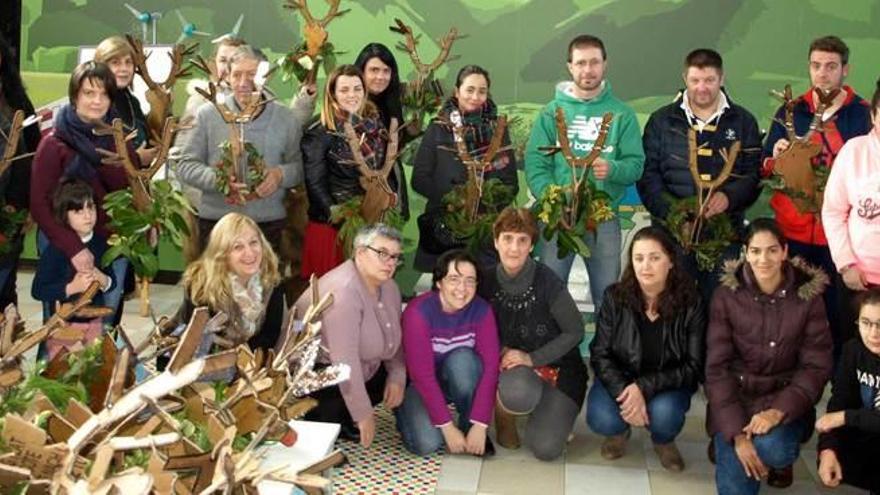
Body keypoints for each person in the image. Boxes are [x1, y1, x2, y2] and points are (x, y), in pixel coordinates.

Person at [763, 35, 872, 365]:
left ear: (845, 70)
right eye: (816, 66)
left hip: (839, 238)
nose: (822, 73)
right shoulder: (790, 110)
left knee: (841, 315)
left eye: (831, 66)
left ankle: (842, 375)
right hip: (794, 230)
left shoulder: (863, 114)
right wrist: (776, 157)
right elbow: (766, 166)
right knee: (794, 311)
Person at [705, 218, 833, 494]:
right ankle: (725, 437)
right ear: (745, 253)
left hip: (783, 401)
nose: (764, 259)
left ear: (785, 252)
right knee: (734, 485)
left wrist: (777, 412)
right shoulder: (726, 296)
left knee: (772, 447)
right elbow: (717, 369)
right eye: (755, 251)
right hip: (737, 400)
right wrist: (737, 435)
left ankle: (777, 456)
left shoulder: (808, 297)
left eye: (772, 250)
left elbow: (816, 366)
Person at [524, 34, 644, 311]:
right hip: (557, 219)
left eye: (594, 62)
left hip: (603, 218)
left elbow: (635, 166)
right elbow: (536, 163)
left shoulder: (622, 115)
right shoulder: (550, 113)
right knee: (549, 297)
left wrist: (613, 169)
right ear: (570, 67)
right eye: (581, 63)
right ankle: (550, 354)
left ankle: (606, 354)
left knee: (608, 298)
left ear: (605, 64)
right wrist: (552, 198)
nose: (587, 70)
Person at [637, 49, 761, 302]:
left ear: (721, 79)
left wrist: (728, 198)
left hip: (724, 236)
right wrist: (676, 214)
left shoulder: (743, 121)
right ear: (685, 79)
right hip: (672, 235)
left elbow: (753, 174)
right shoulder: (661, 121)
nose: (701, 88)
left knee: (721, 307)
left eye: (709, 80)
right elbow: (648, 175)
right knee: (672, 305)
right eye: (695, 81)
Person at [587, 226, 706, 472]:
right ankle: (619, 433)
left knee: (664, 416)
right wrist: (626, 391)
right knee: (600, 418)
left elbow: (694, 367)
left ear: (671, 261)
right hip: (622, 379)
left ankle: (663, 440)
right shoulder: (615, 297)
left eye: (655, 258)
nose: (646, 266)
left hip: (667, 383)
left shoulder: (691, 301)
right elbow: (599, 354)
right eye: (639, 258)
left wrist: (644, 387)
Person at [477, 207, 587, 461]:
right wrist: (502, 350)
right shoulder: (484, 281)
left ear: (531, 245)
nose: (514, 248)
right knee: (517, 392)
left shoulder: (548, 281)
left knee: (546, 449)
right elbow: (474, 327)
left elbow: (576, 331)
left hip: (560, 369)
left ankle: (550, 412)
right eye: (507, 238)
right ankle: (505, 413)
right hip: (514, 370)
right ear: (496, 242)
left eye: (522, 240)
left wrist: (532, 358)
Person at [30, 61, 133, 323]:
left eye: (104, 94)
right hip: (63, 245)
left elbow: (132, 188)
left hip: (111, 245)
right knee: (61, 328)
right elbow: (40, 204)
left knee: (105, 324)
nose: (97, 101)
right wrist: (75, 249)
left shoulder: (120, 140)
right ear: (75, 95)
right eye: (89, 93)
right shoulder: (54, 143)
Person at [177, 44, 304, 257]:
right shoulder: (207, 114)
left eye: (252, 75)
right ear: (227, 77)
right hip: (218, 225)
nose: (244, 83)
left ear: (266, 77)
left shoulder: (285, 118)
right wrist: (219, 180)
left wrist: (280, 175)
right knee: (217, 289)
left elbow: (300, 167)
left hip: (268, 225)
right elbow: (186, 166)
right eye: (237, 75)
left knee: (266, 289)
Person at [295, 224, 406, 449]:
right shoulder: (344, 292)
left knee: (409, 372)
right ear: (360, 253)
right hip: (316, 374)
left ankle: (345, 415)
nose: (390, 262)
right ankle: (326, 419)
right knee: (329, 416)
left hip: (362, 367)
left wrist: (397, 373)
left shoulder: (390, 287)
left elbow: (395, 337)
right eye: (382, 254)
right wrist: (364, 414)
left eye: (395, 256)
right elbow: (344, 362)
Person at [411, 65, 519, 272]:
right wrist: (454, 202)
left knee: (485, 288)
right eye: (470, 90)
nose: (475, 96)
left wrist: (486, 205)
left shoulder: (498, 131)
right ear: (457, 91)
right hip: (445, 229)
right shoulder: (438, 128)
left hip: (485, 232)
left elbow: (510, 182)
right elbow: (420, 179)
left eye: (482, 91)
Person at [396, 249, 500, 456]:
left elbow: (490, 369)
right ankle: (405, 414)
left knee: (464, 360)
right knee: (426, 444)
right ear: (438, 282)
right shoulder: (418, 313)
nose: (462, 288)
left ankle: (468, 423)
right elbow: (422, 376)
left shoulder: (481, 310)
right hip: (418, 385)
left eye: (470, 280)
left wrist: (480, 424)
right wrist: (447, 427)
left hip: (452, 378)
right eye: (454, 279)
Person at [300, 65, 398, 279]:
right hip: (334, 230)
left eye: (357, 89)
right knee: (332, 297)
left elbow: (383, 171)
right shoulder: (319, 131)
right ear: (332, 94)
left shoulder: (374, 126)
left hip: (368, 224)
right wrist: (340, 218)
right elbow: (314, 183)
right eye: (344, 90)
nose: (352, 95)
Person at [160, 212, 285, 365]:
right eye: (238, 247)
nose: (250, 253)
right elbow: (191, 342)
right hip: (200, 364)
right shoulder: (200, 285)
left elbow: (269, 337)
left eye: (254, 242)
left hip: (250, 366)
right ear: (222, 254)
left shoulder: (271, 280)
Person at [822, 77, 880, 364]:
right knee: (853, 351)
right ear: (873, 115)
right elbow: (833, 211)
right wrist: (845, 264)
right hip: (858, 278)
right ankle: (850, 407)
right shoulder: (854, 151)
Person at [32, 180, 114, 359]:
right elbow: (38, 290)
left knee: (91, 369)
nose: (88, 216)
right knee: (64, 372)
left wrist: (103, 279)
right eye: (78, 211)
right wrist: (72, 288)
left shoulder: (102, 244)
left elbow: (111, 283)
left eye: (90, 208)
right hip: (63, 326)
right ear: (64, 215)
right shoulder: (56, 250)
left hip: (94, 321)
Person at [815, 288, 880, 492]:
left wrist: (845, 417)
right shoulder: (853, 350)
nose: (873, 333)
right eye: (866, 323)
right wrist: (827, 449)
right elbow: (839, 401)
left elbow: (841, 415)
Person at [0, 32, 41, 310]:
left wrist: (29, 207)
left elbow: (35, 154)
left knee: (5, 294)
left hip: (12, 214)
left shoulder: (17, 100)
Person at [93, 36, 153, 160]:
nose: (124, 69)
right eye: (115, 63)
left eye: (128, 62)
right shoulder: (93, 105)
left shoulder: (132, 102)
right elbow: (93, 155)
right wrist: (136, 159)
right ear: (101, 66)